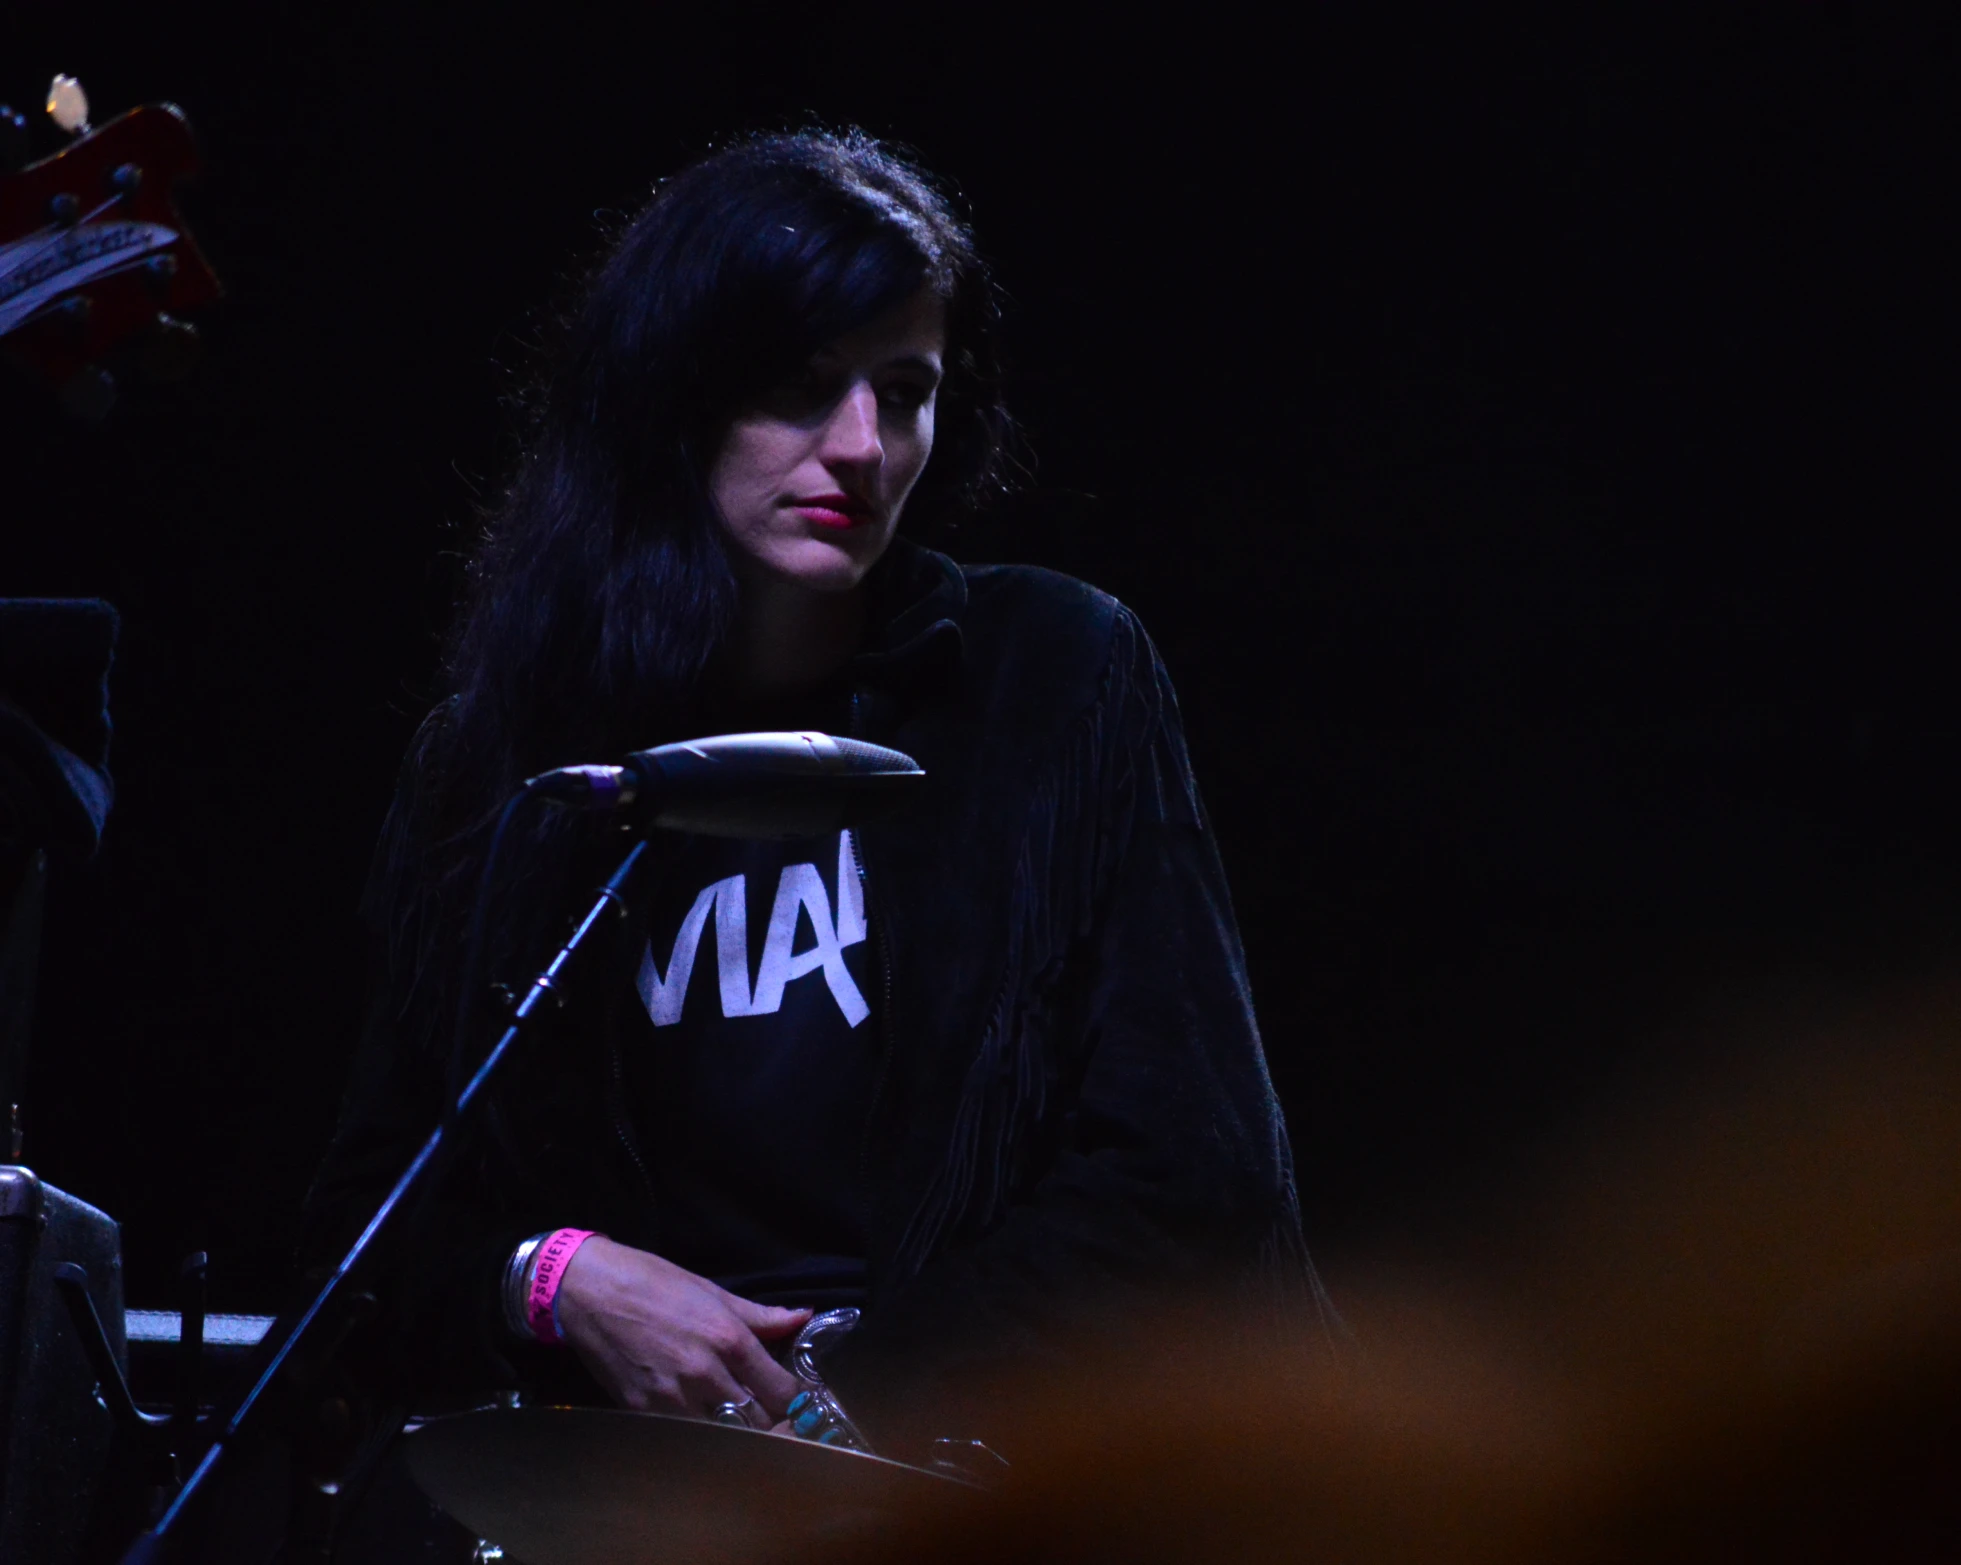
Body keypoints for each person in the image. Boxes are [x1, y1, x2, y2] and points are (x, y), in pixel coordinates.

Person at [301, 127, 1331, 1456]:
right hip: (631, 1503)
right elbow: (364, 1236)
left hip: (1000, 1479)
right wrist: (559, 1278)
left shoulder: (1052, 676)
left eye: (902, 393)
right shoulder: (501, 763)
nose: (859, 447)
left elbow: (1193, 1180)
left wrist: (836, 1401)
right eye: (799, 386)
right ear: (670, 398)